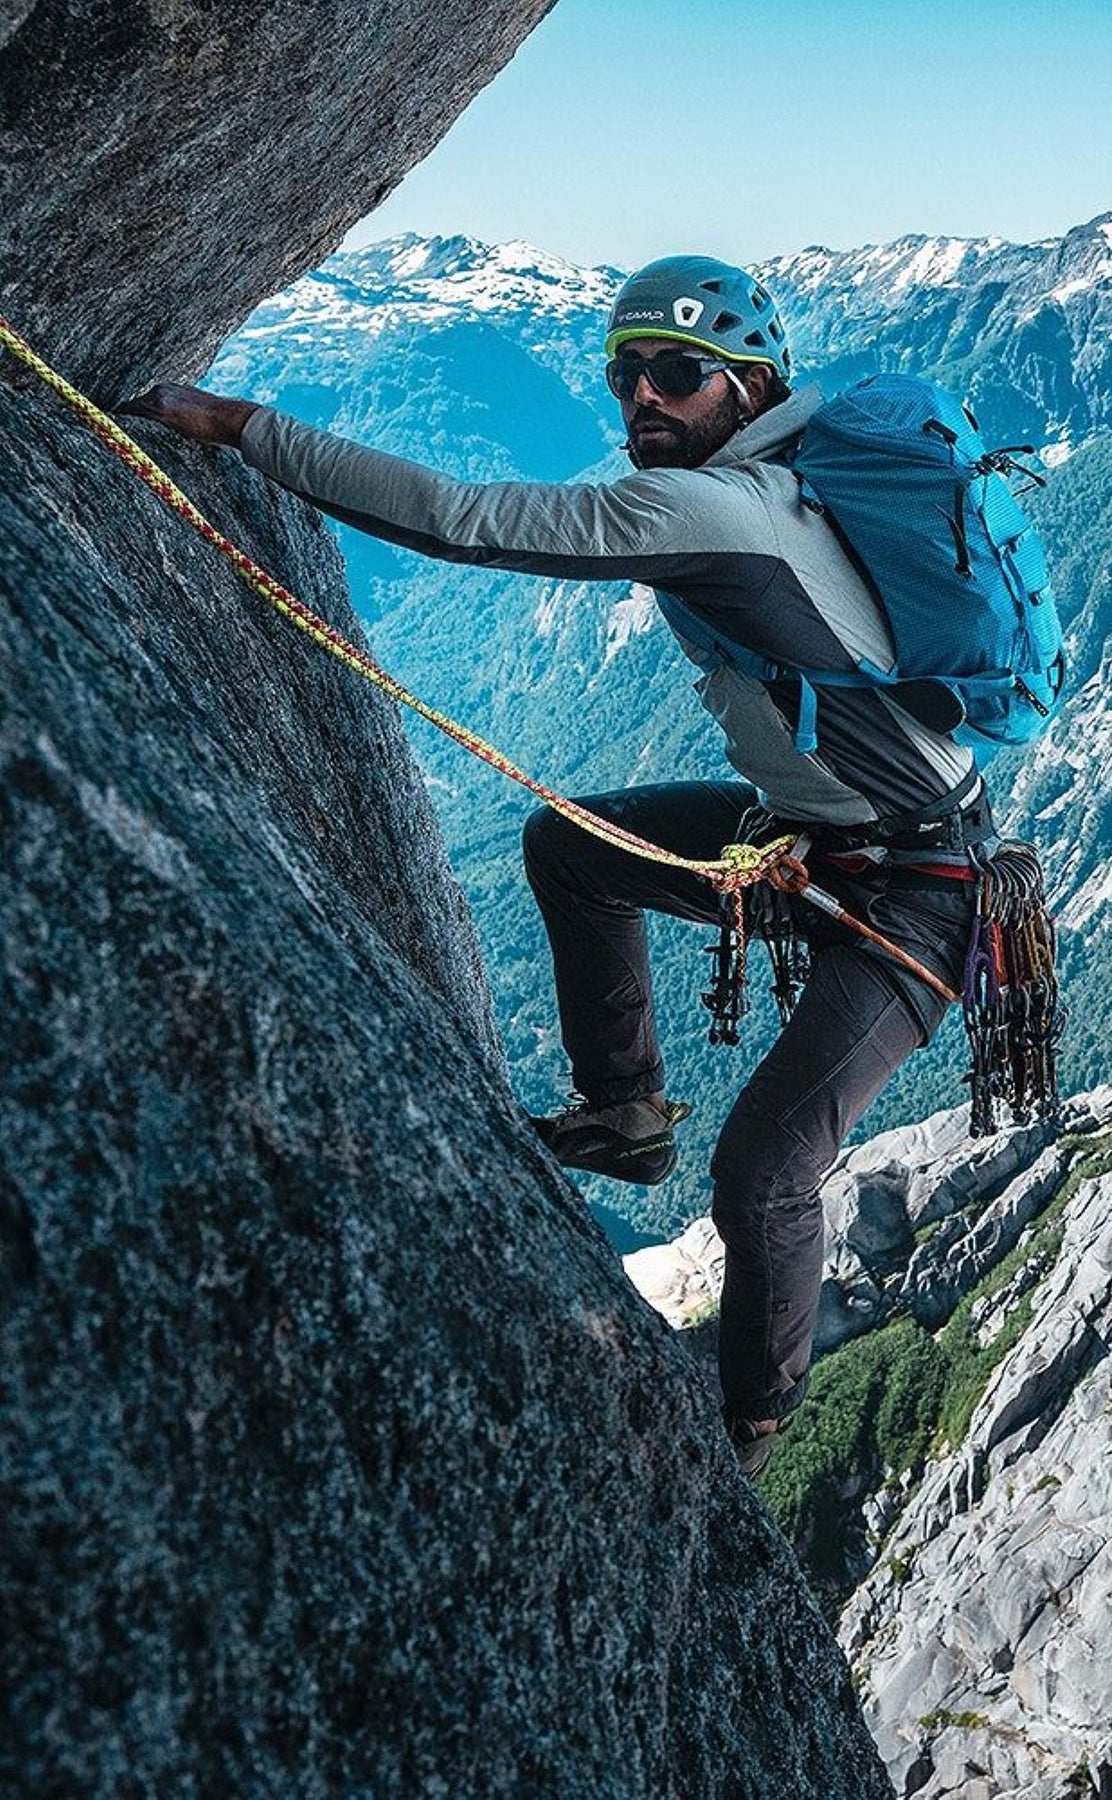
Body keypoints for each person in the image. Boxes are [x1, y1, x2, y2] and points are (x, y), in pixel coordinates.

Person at [123, 257, 990, 1474]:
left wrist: (241, 428)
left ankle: (750, 1425)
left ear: (749, 384)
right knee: (572, 844)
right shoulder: (767, 478)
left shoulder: (711, 511)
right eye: (625, 374)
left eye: (678, 375)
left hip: (918, 894)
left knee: (765, 1167)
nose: (644, 398)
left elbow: (462, 518)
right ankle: (627, 1113)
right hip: (818, 841)